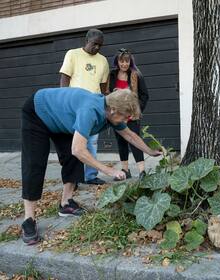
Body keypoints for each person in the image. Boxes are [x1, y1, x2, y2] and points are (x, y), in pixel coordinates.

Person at [20, 87, 161, 245]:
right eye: (125, 117)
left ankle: (66, 203)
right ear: (113, 110)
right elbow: (78, 149)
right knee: (35, 164)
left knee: (72, 158)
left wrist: (150, 151)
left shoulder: (111, 113)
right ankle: (29, 219)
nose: (125, 120)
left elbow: (129, 135)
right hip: (38, 111)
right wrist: (109, 170)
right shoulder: (90, 110)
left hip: (61, 118)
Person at [59, 28, 109, 185]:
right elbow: (64, 78)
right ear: (86, 41)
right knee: (74, 143)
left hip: (94, 107)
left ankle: (91, 176)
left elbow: (103, 87)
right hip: (74, 106)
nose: (97, 48)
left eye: (100, 45)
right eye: (95, 44)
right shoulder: (73, 54)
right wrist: (63, 101)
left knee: (92, 142)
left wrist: (103, 105)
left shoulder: (103, 61)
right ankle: (73, 179)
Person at [107, 48, 149, 180]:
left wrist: (135, 110)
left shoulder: (136, 74)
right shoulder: (112, 75)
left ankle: (142, 172)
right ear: (117, 62)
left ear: (130, 62)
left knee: (135, 141)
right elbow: (107, 93)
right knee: (121, 142)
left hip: (132, 116)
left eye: (127, 61)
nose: (124, 64)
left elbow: (144, 95)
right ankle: (125, 170)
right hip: (117, 115)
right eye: (121, 61)